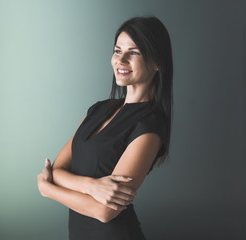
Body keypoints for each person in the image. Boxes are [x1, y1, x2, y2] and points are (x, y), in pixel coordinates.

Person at [37, 16, 173, 240]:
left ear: (157, 62)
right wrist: (92, 186)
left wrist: (47, 189)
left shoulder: (150, 125)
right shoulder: (98, 109)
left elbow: (105, 211)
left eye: (134, 52)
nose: (121, 60)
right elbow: (56, 170)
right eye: (117, 50)